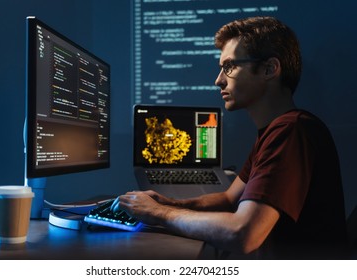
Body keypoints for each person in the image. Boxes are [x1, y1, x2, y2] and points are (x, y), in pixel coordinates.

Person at [112, 16, 348, 259]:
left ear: (269, 69)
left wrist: (158, 214)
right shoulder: (276, 131)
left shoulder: (292, 131)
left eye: (229, 67)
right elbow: (228, 198)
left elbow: (243, 234)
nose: (218, 80)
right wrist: (168, 203)